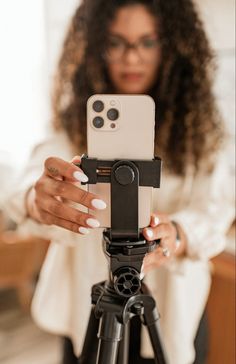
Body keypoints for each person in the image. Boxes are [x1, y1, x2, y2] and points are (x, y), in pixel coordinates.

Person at [5, 0, 234, 363]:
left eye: (146, 42)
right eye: (116, 42)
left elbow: (217, 209)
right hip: (88, 313)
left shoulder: (201, 133)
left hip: (173, 309)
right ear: (96, 45)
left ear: (171, 45)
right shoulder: (76, 123)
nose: (130, 59)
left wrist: (177, 232)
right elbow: (26, 186)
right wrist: (40, 200)